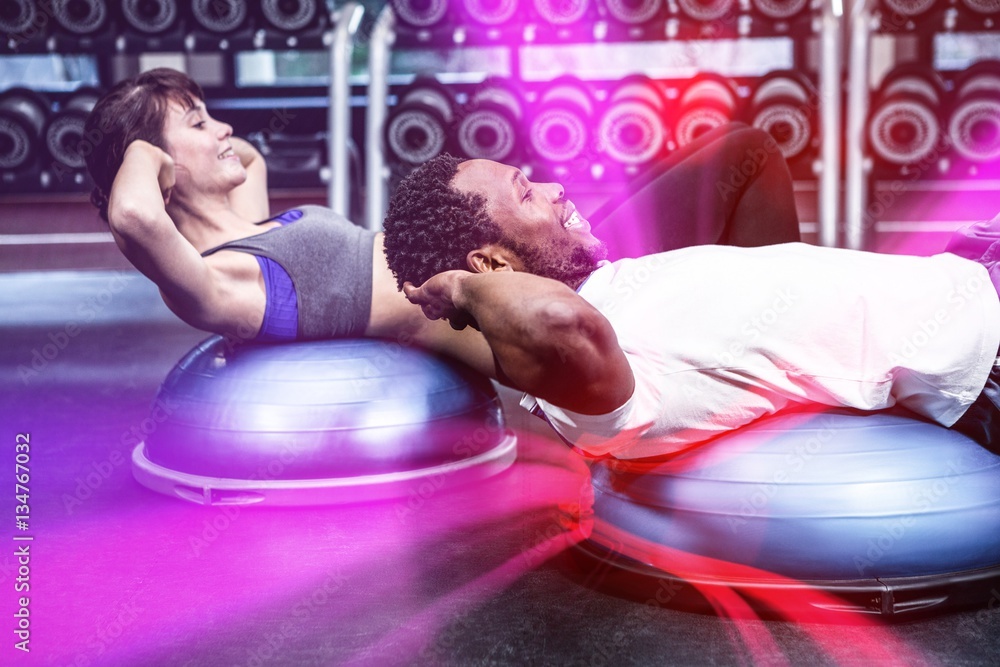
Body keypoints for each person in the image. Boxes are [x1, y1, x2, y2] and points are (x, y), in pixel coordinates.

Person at [83, 67, 799, 383]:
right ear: (157, 164)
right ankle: (787, 340)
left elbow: (247, 153)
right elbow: (135, 212)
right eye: (199, 123)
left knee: (727, 158)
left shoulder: (245, 231)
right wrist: (146, 147)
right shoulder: (219, 281)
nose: (224, 128)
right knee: (747, 155)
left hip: (514, 255)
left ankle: (772, 324)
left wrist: (180, 130)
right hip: (507, 295)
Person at [382, 154, 1000, 460]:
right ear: (492, 269)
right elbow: (556, 323)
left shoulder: (612, 288)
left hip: (972, 273)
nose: (553, 187)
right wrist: (460, 288)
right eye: (527, 194)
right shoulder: (593, 371)